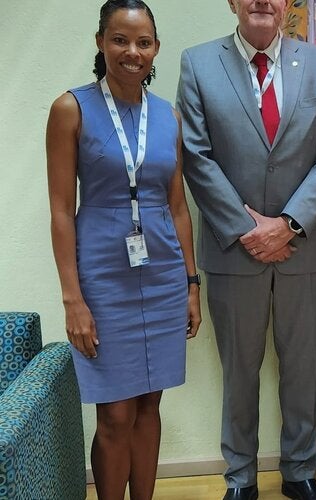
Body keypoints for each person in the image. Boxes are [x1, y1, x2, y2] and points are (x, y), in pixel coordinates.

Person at [176, 0, 316, 498]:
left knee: (301, 366)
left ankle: (299, 472)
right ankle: (240, 479)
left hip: (301, 250)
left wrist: (289, 224)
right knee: (240, 369)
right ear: (232, 2)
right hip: (234, 251)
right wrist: (246, 228)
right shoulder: (197, 62)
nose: (262, 2)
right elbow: (197, 155)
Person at [46, 1, 201, 499]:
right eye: (120, 39)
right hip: (103, 277)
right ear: (100, 42)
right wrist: (73, 299)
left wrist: (191, 285)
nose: (132, 52)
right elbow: (59, 211)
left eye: (143, 42)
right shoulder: (71, 108)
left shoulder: (167, 116)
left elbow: (178, 207)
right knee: (115, 412)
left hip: (162, 276)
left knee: (150, 405)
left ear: (155, 49)